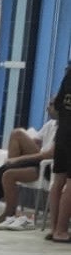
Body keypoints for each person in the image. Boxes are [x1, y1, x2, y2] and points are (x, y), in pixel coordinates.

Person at [48, 64, 71, 245]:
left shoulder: (69, 74)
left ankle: (53, 228)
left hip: (62, 132)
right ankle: (62, 231)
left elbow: (54, 109)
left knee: (58, 181)